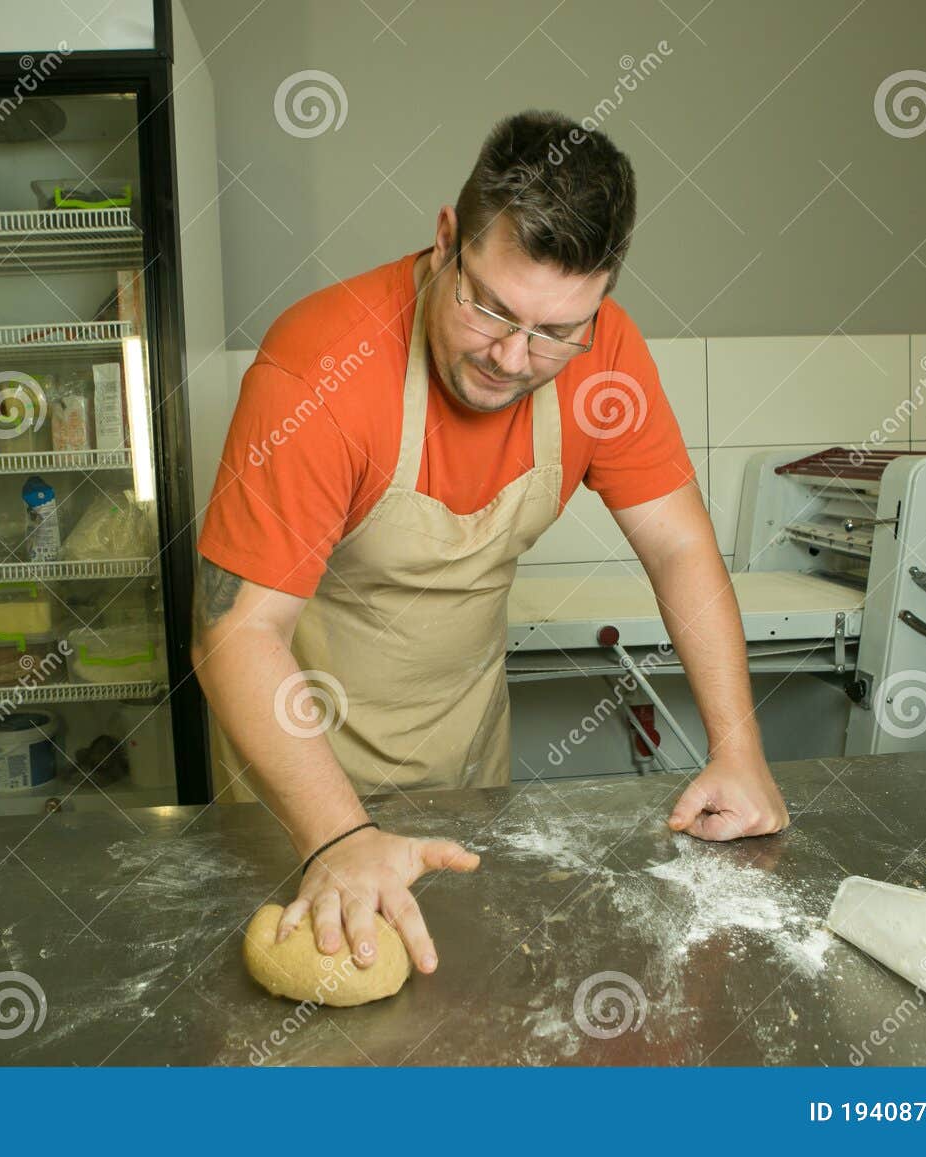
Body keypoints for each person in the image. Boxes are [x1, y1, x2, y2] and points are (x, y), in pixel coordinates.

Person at [193, 110, 788, 979]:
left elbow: (678, 547)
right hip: (303, 785)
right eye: (490, 309)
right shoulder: (318, 368)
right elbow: (234, 633)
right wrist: (341, 832)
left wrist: (739, 749)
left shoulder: (603, 353)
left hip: (471, 773)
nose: (512, 357)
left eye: (555, 331)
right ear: (445, 242)